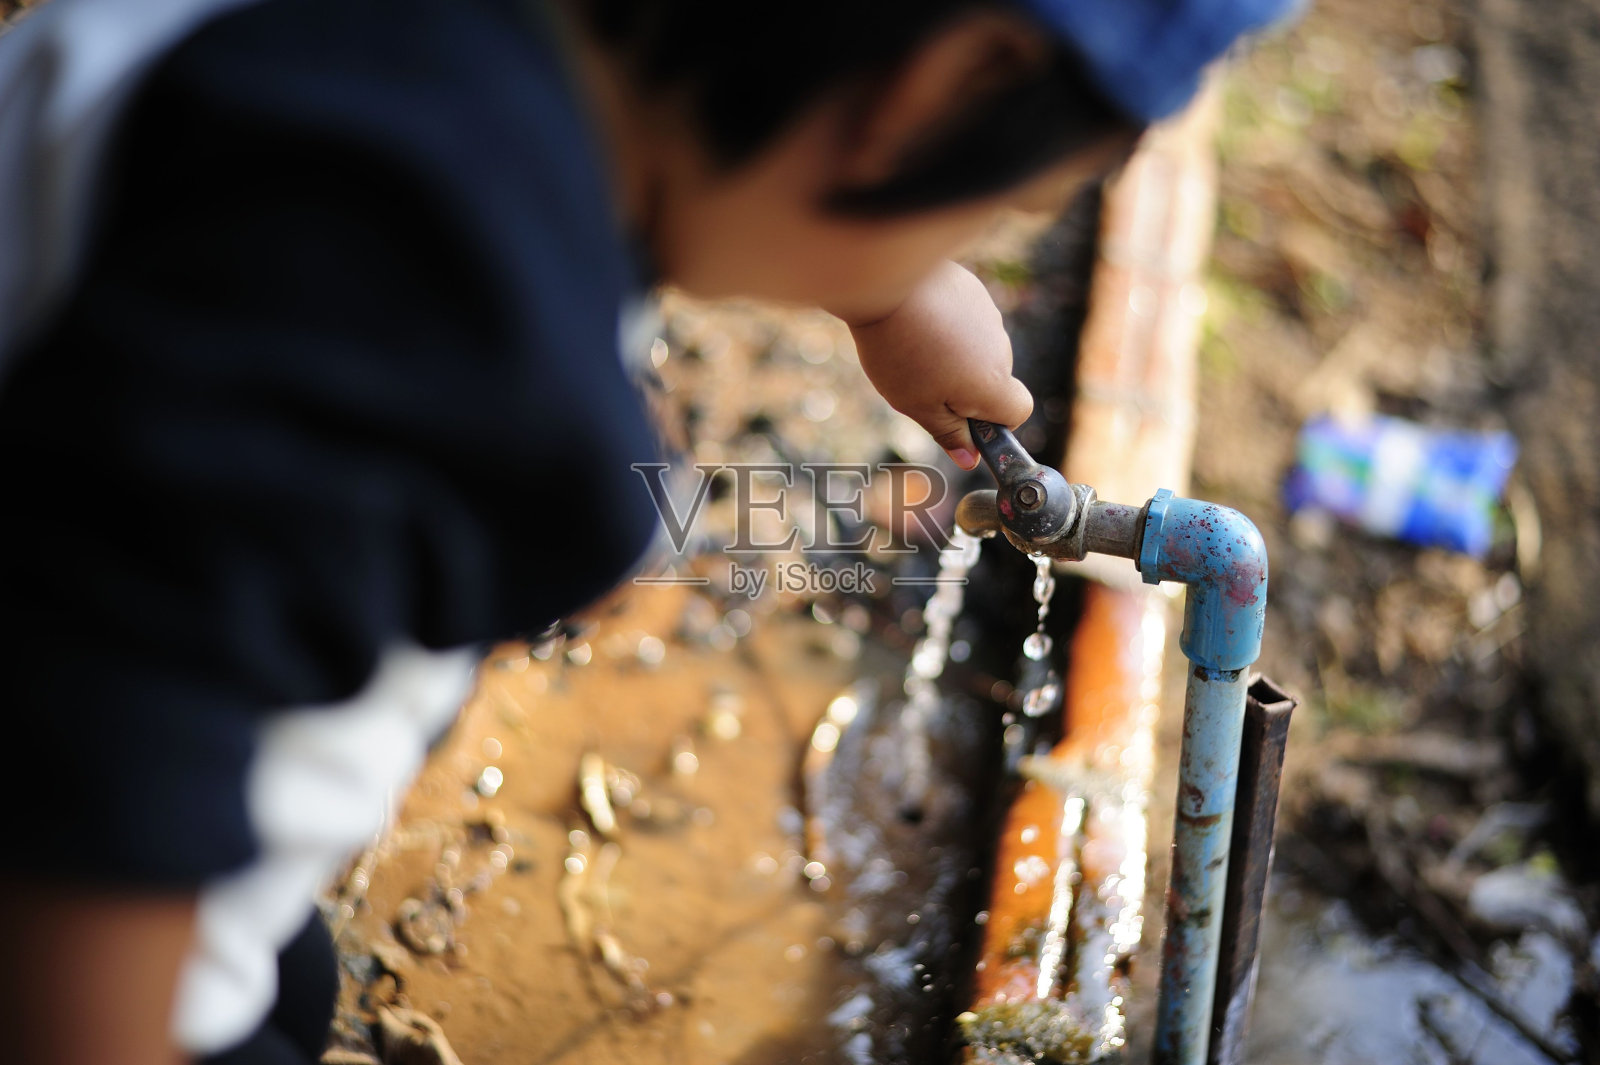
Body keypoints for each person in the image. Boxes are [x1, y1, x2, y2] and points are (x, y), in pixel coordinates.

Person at [0, 0, 1295, 1061]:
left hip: (177, 846)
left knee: (281, 979)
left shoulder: (449, 91)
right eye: (997, 208)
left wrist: (889, 283)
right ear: (933, 93)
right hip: (81, 942)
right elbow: (99, 796)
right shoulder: (408, 288)